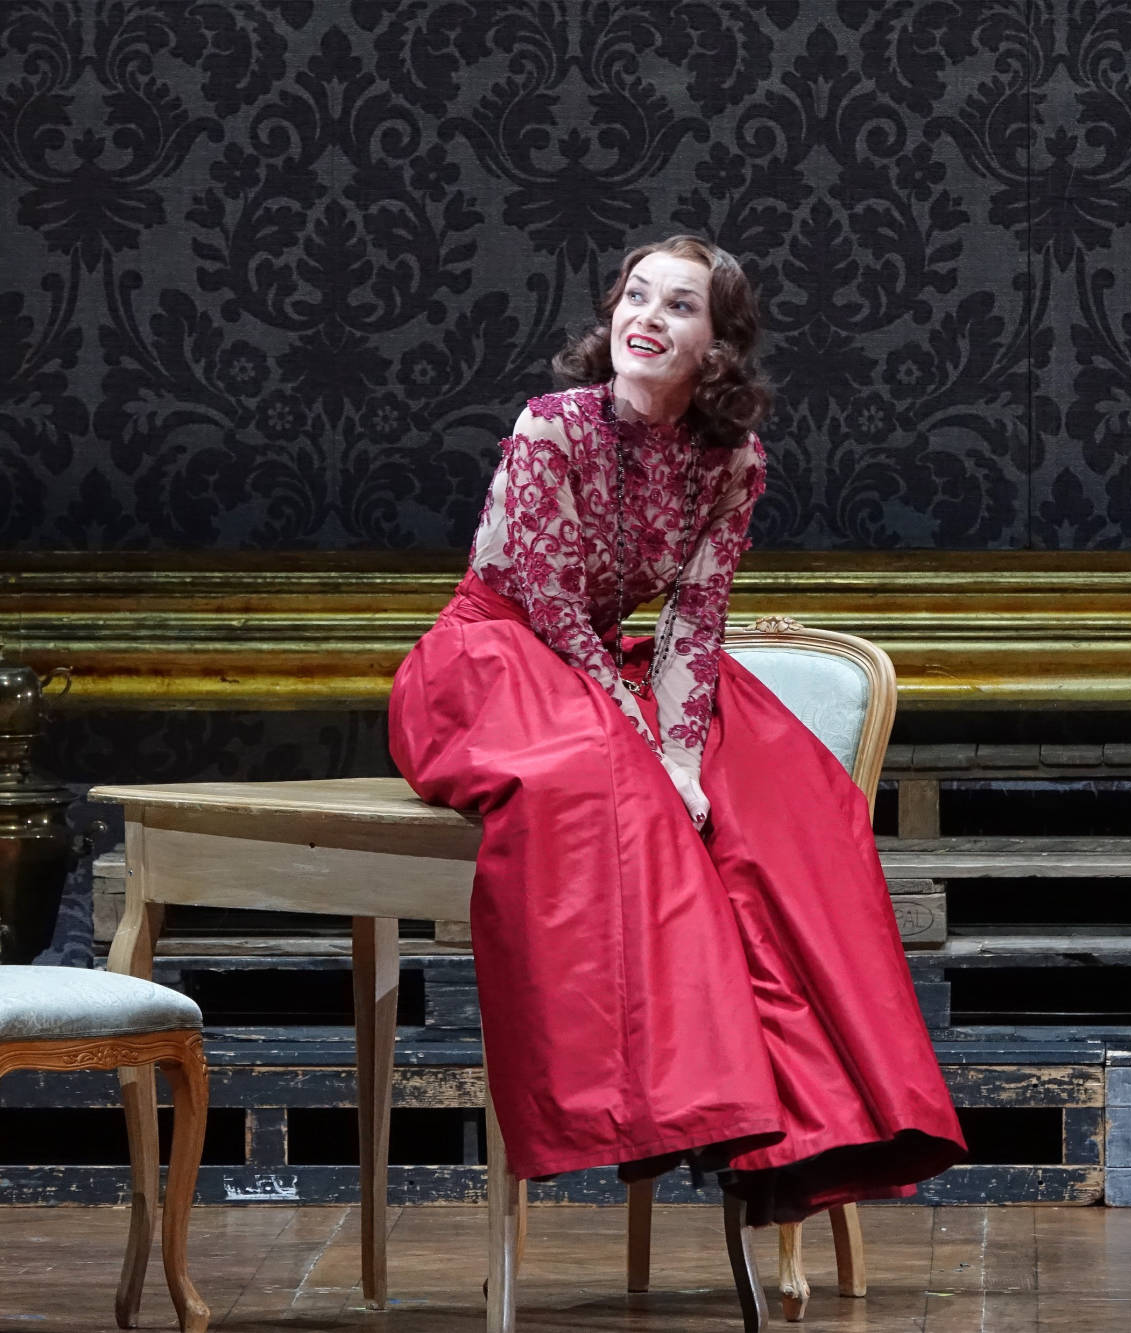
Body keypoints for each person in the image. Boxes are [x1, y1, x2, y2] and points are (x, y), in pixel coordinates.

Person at [388, 235, 964, 1225]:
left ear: (717, 345)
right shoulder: (551, 426)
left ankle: (811, 1118)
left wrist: (687, 754)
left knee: (779, 781)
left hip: (593, 662)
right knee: (611, 776)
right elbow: (552, 609)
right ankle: (666, 1102)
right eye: (634, 296)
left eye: (679, 304)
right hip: (487, 658)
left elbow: (694, 622)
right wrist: (648, 746)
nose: (646, 317)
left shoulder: (730, 460)